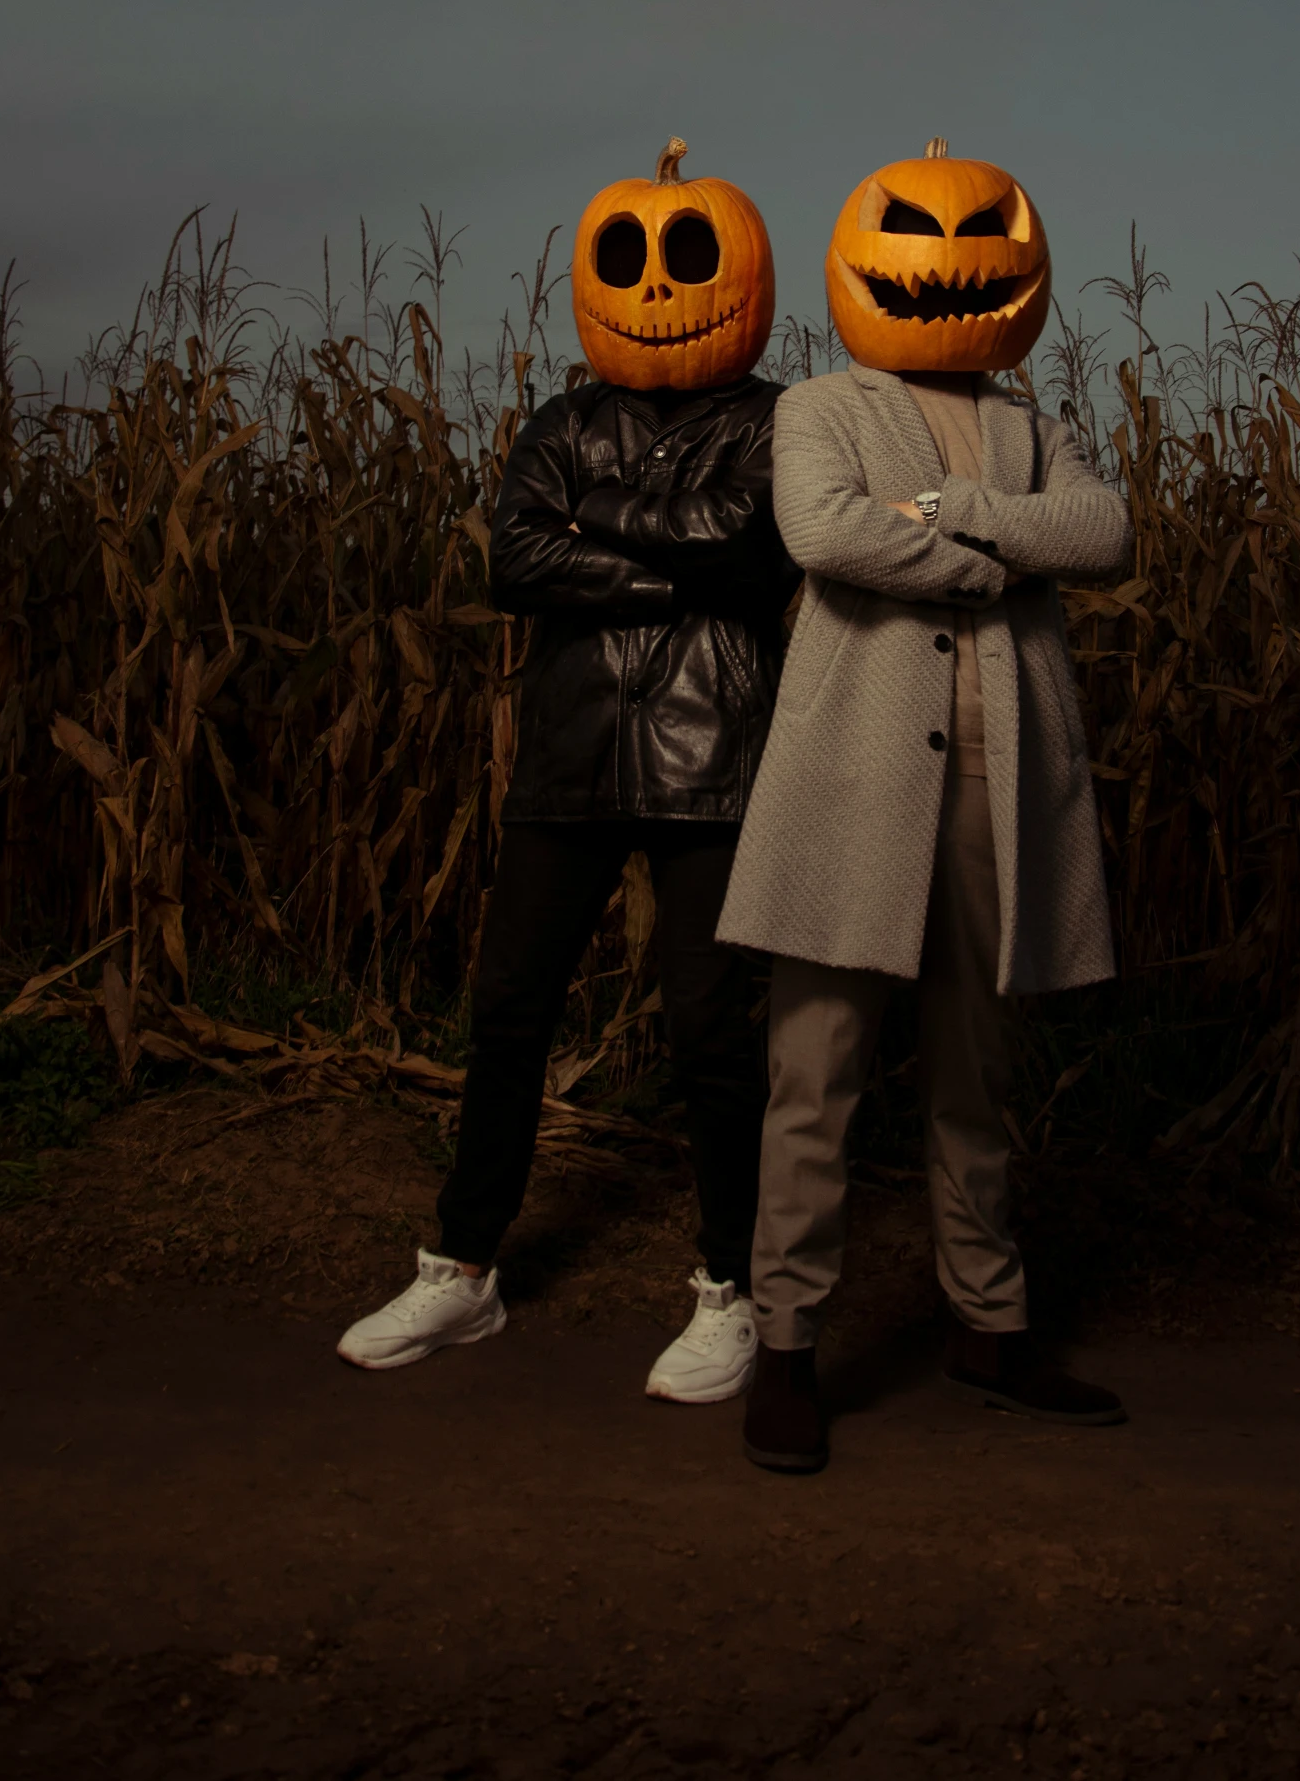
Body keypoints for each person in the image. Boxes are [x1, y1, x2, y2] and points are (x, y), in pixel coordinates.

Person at [339, 140, 795, 1401]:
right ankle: (463, 1270)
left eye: (689, 258)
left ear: (740, 279)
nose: (657, 287)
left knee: (711, 1030)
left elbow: (749, 547)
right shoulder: (560, 419)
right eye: (629, 260)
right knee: (509, 1013)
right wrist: (668, 571)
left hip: (714, 755)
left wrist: (596, 526)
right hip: (572, 750)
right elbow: (512, 563)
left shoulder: (775, 419)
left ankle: (731, 1290)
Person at [718, 139, 1132, 1471]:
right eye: (914, 234)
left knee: (975, 1075)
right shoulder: (821, 406)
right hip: (851, 783)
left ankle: (987, 1324)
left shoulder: (1029, 423)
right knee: (814, 1076)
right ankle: (784, 1348)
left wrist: (958, 511)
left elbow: (1104, 532)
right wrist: (992, 560)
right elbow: (827, 531)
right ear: (862, 261)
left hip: (995, 789)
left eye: (984, 239)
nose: (952, 261)